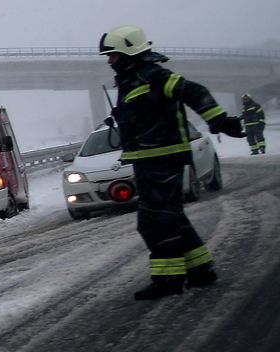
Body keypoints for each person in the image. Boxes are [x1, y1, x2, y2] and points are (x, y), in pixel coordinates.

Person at [98, 25, 246, 300]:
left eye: (113, 55)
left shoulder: (153, 76)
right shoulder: (133, 80)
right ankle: (201, 269)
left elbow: (193, 91)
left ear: (129, 52)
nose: (109, 61)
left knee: (154, 222)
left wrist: (220, 120)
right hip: (149, 160)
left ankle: (169, 279)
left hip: (162, 159)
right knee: (171, 217)